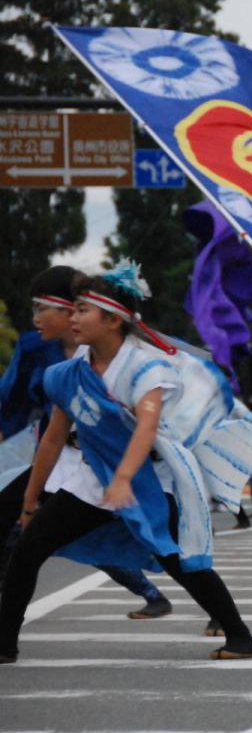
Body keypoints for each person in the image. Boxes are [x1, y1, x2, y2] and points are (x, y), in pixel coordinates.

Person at [0, 262, 252, 662]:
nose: (73, 317)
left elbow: (146, 427)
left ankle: (240, 636)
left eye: (82, 311)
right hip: (94, 478)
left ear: (112, 320)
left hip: (149, 479)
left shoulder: (147, 367)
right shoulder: (67, 373)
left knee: (180, 560)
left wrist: (124, 479)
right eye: (71, 310)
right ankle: (5, 645)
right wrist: (30, 501)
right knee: (28, 549)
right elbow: (53, 438)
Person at [0, 265, 172, 620]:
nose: (35, 317)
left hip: (111, 461)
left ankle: (170, 594)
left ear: (71, 309)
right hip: (58, 457)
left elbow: (153, 414)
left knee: (138, 537)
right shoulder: (37, 348)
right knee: (26, 526)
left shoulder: (125, 353)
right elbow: (14, 395)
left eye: (43, 307)